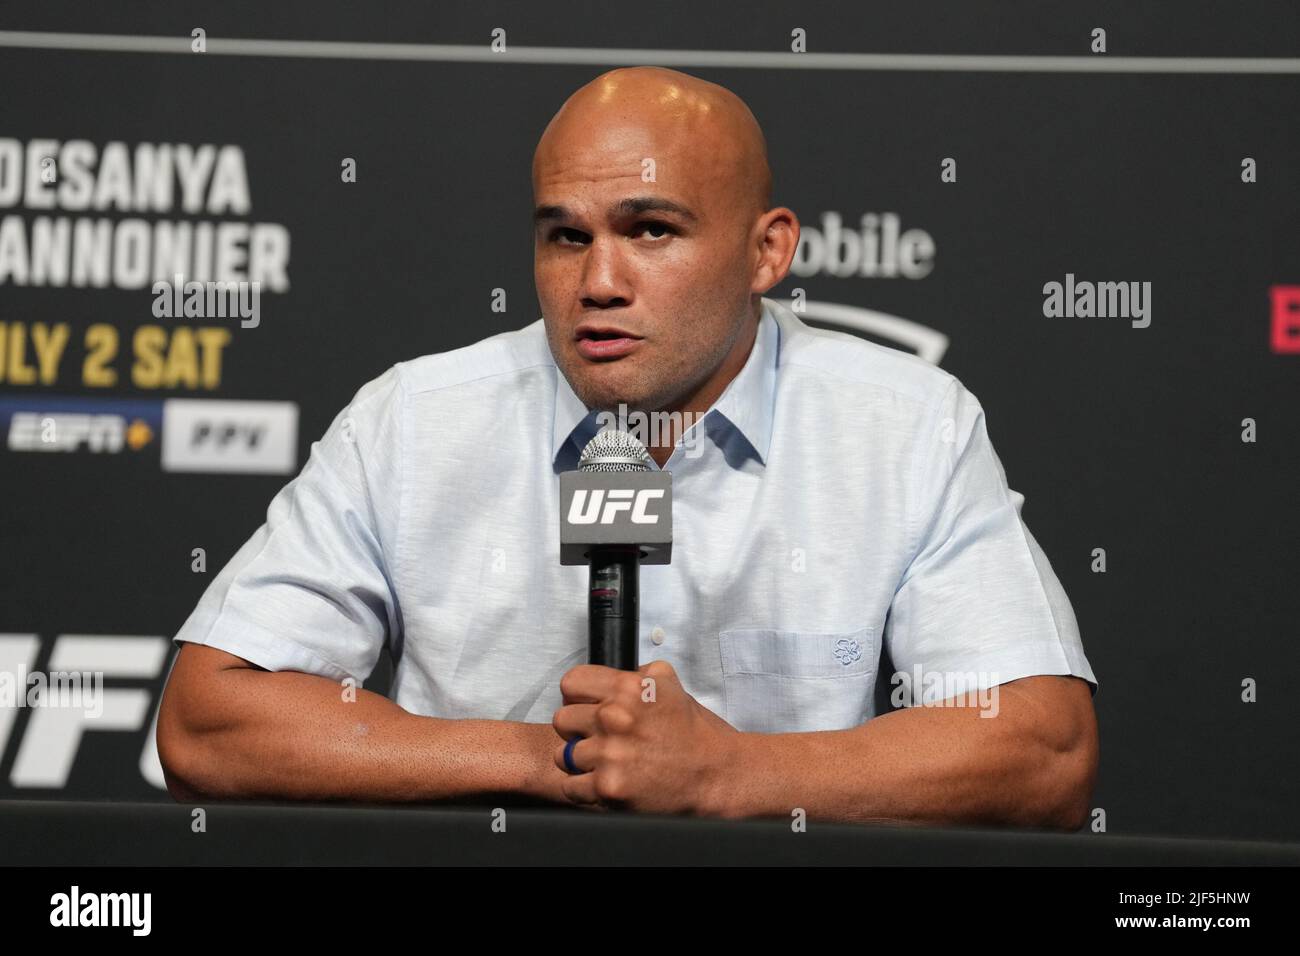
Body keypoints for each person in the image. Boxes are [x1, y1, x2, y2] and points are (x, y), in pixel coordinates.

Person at [158, 66, 1098, 827]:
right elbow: (209, 720)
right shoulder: (415, 420)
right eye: (565, 237)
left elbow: (1041, 747)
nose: (598, 281)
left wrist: (732, 775)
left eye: (651, 231)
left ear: (767, 252)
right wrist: (544, 759)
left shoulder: (906, 425)